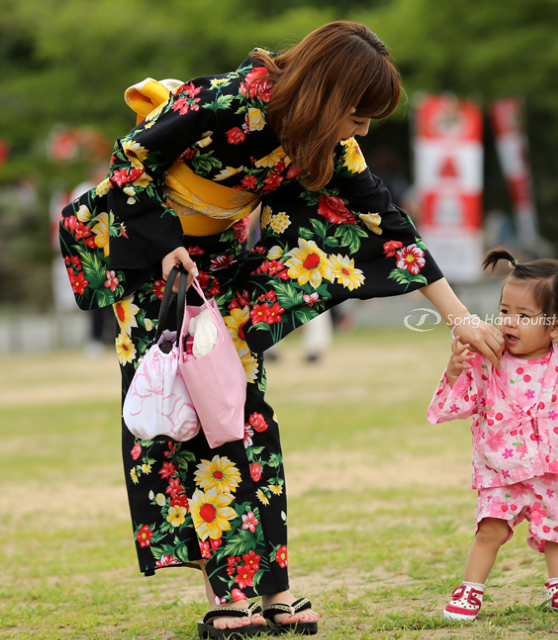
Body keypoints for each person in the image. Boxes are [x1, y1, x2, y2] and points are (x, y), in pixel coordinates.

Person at [59, 22, 502, 638]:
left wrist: (460, 317)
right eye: (356, 116)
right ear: (326, 96)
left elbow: (384, 220)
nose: (361, 131)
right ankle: (229, 593)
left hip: (217, 258)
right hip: (145, 252)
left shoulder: (321, 138)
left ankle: (273, 587)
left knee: (245, 412)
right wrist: (164, 246)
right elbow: (131, 159)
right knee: (196, 415)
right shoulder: (225, 100)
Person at [427, 249, 558, 621]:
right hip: (501, 473)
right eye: (504, 310)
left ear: (555, 327)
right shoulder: (488, 360)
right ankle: (470, 589)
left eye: (523, 315)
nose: (509, 322)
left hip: (552, 473)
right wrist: (455, 370)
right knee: (489, 531)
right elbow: (454, 405)